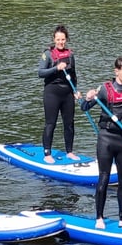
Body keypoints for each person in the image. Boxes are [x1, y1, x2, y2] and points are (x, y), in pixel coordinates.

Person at [80, 56, 122, 229]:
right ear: (116, 72)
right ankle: (99, 218)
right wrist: (87, 98)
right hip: (106, 139)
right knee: (104, 178)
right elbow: (84, 108)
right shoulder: (104, 90)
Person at [38, 24, 81, 163]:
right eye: (58, 39)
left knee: (69, 123)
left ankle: (69, 151)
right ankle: (47, 153)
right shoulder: (48, 54)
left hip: (67, 93)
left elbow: (73, 75)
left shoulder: (70, 54)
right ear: (54, 39)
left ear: (66, 39)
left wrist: (75, 90)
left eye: (63, 39)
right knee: (51, 123)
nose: (60, 42)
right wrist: (56, 68)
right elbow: (41, 73)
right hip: (52, 92)